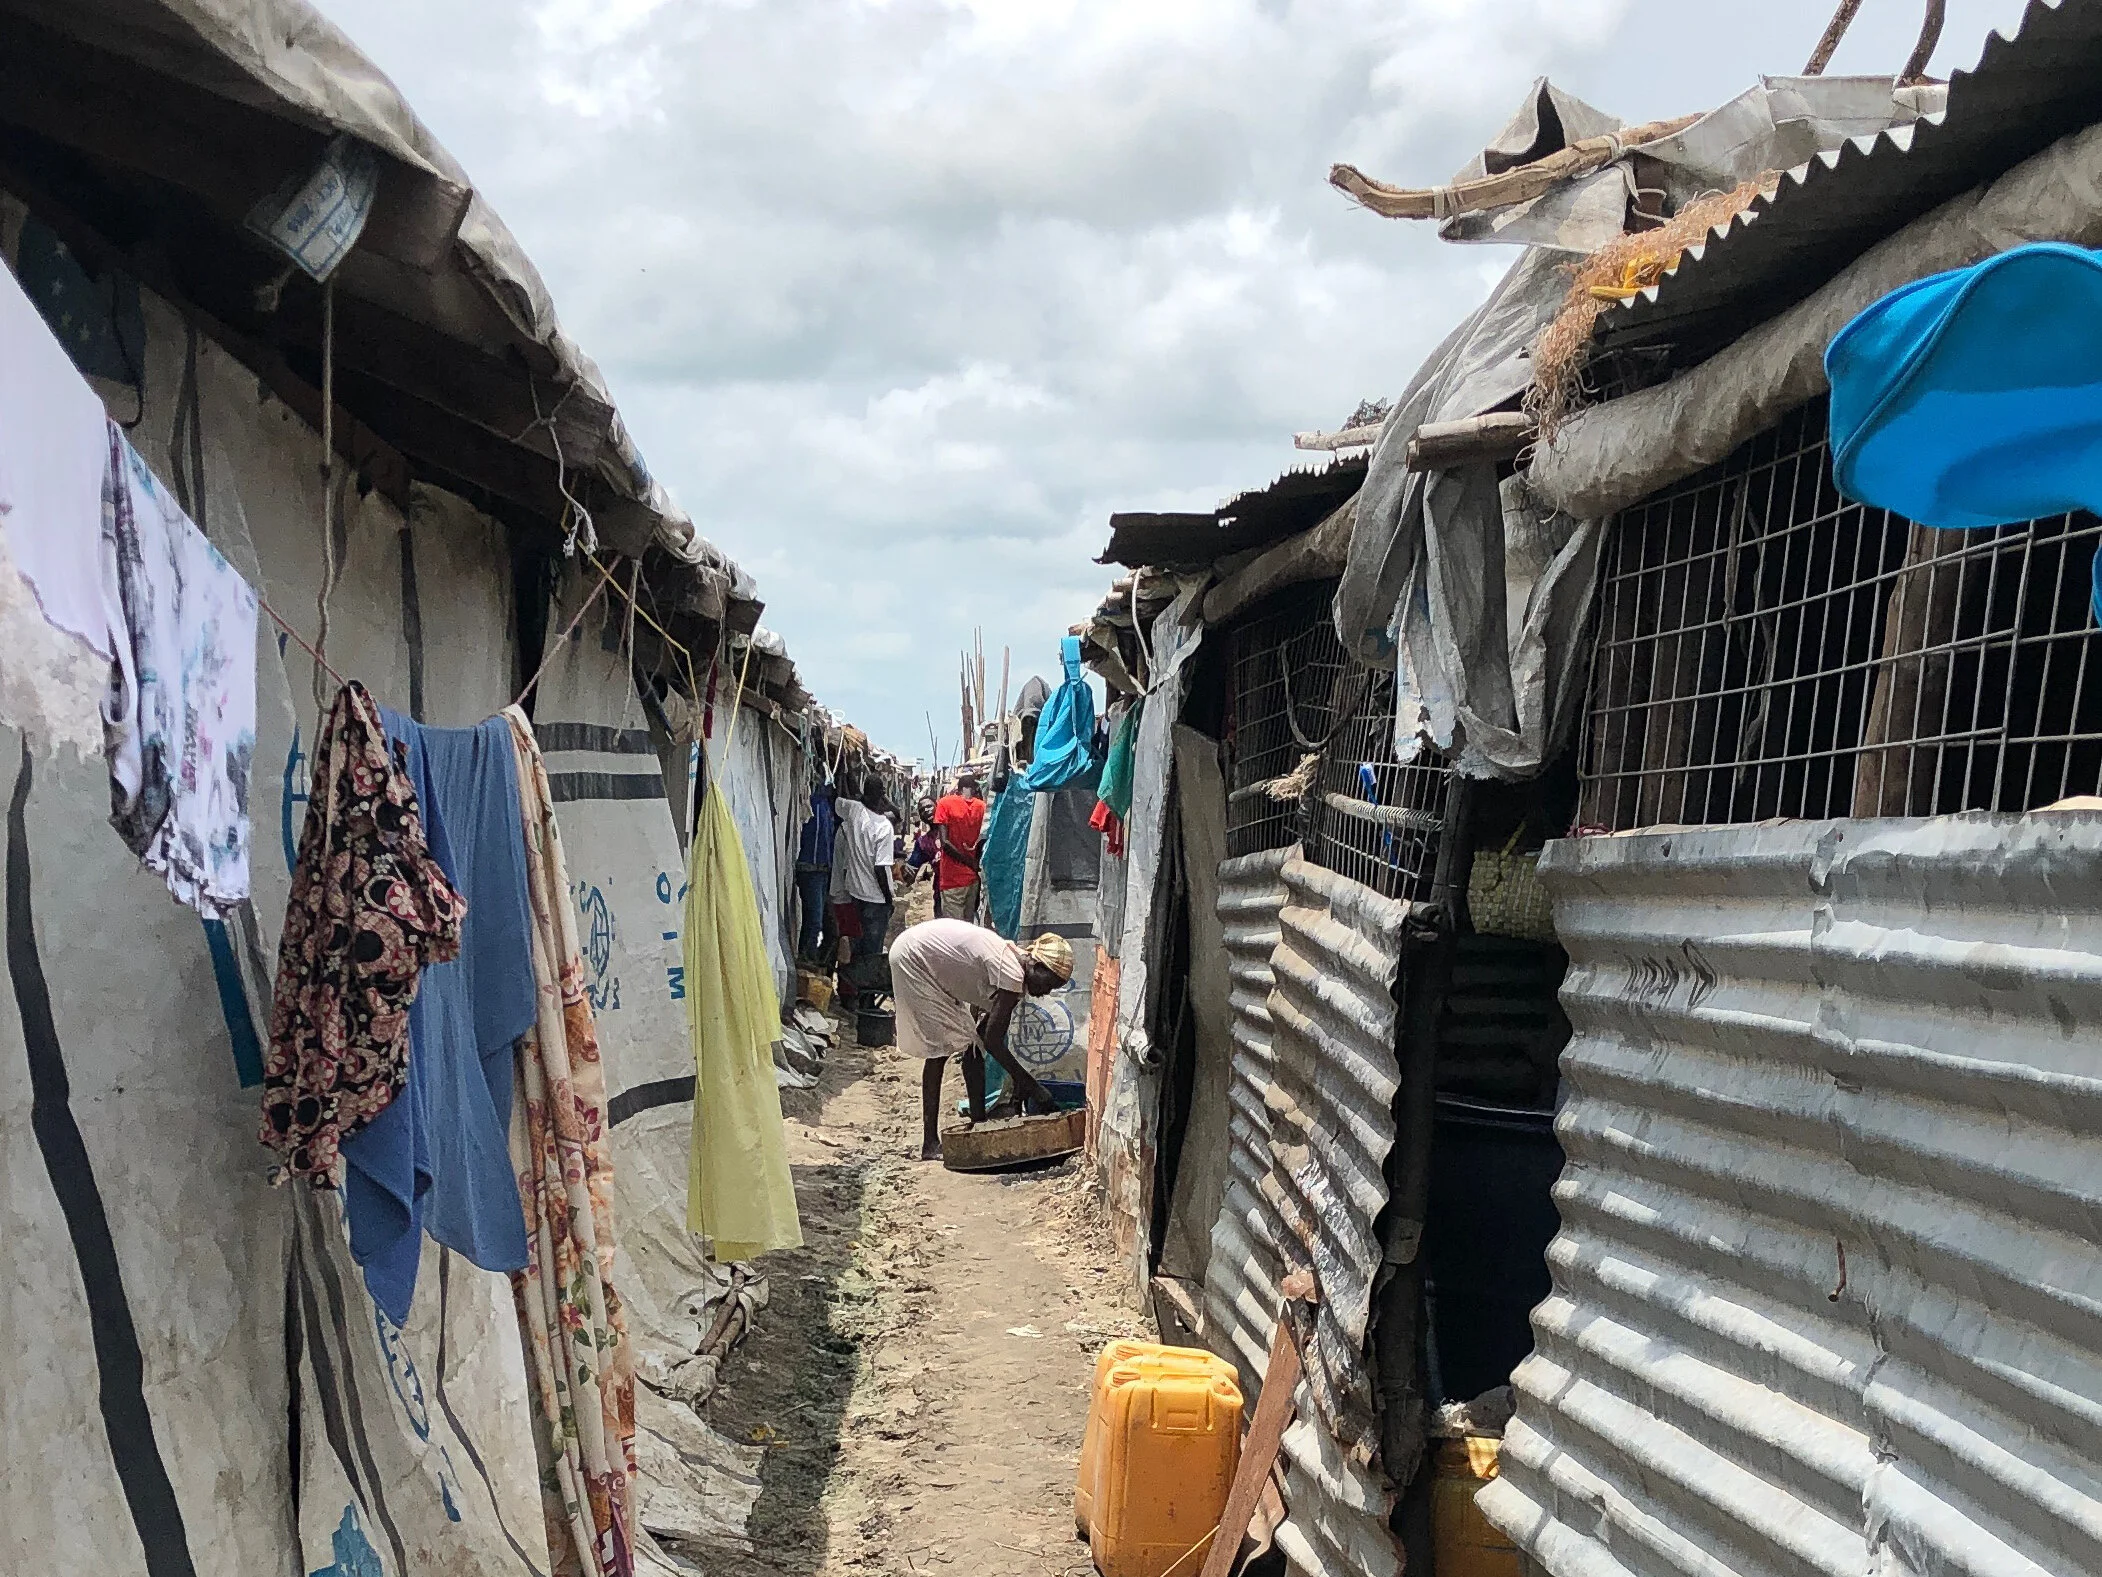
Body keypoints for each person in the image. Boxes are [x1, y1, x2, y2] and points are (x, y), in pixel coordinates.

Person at [888, 920, 1072, 1159]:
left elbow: (985, 1040)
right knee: (939, 1050)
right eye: (1049, 982)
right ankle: (930, 1144)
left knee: (972, 1045)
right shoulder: (1011, 972)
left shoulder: (1013, 965)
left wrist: (1021, 1085)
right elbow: (994, 1042)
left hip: (920, 955)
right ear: (1036, 964)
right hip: (914, 959)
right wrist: (1034, 1088)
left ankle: (978, 1125)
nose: (1047, 991)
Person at [829, 780, 896, 976]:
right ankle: (867, 999)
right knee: (873, 952)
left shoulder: (853, 810)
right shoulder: (884, 827)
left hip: (856, 895)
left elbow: (838, 798)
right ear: (883, 795)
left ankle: (855, 993)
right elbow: (880, 868)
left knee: (857, 947)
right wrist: (889, 898)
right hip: (876, 898)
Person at [793, 778, 838, 963]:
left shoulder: (826, 806)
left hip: (822, 870)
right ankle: (807, 959)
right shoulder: (812, 803)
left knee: (819, 921)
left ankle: (811, 958)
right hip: (810, 869)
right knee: (814, 920)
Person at [933, 772, 986, 921]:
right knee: (968, 927)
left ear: (959, 788)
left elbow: (945, 843)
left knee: (953, 931)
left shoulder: (944, 804)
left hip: (952, 879)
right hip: (973, 878)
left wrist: (967, 861)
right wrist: (974, 863)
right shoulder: (982, 807)